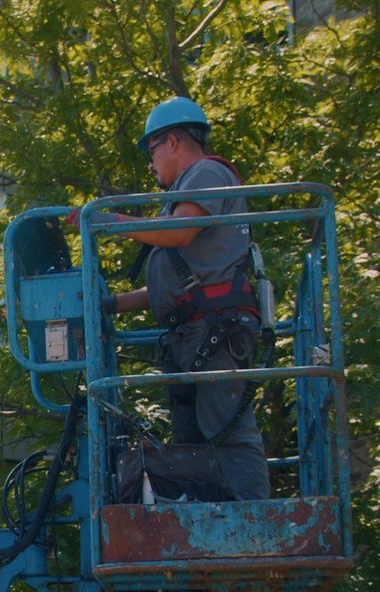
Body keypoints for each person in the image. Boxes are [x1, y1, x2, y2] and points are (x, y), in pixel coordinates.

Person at [99, 97, 270, 502]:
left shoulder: (206, 172)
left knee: (230, 432)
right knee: (194, 440)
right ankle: (209, 523)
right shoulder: (186, 191)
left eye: (152, 150)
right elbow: (184, 281)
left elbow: (180, 234)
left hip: (214, 330)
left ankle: (254, 524)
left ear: (172, 141)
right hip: (197, 329)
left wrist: (106, 220)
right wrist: (113, 304)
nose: (151, 163)